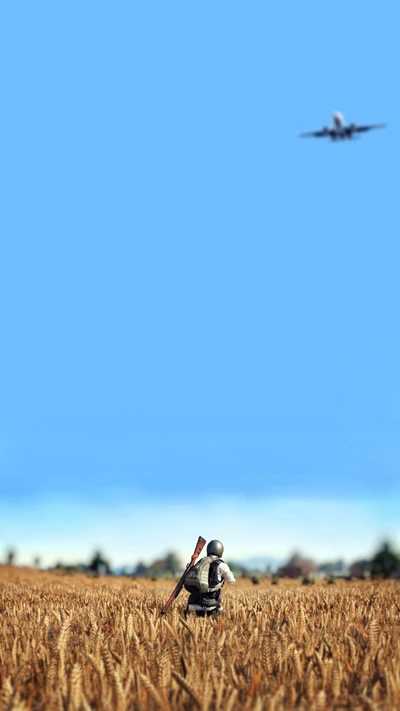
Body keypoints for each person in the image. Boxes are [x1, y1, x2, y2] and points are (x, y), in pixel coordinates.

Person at [184, 539, 236, 616]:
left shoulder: (200, 562)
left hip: (192, 604)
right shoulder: (221, 565)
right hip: (209, 607)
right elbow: (231, 580)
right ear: (220, 551)